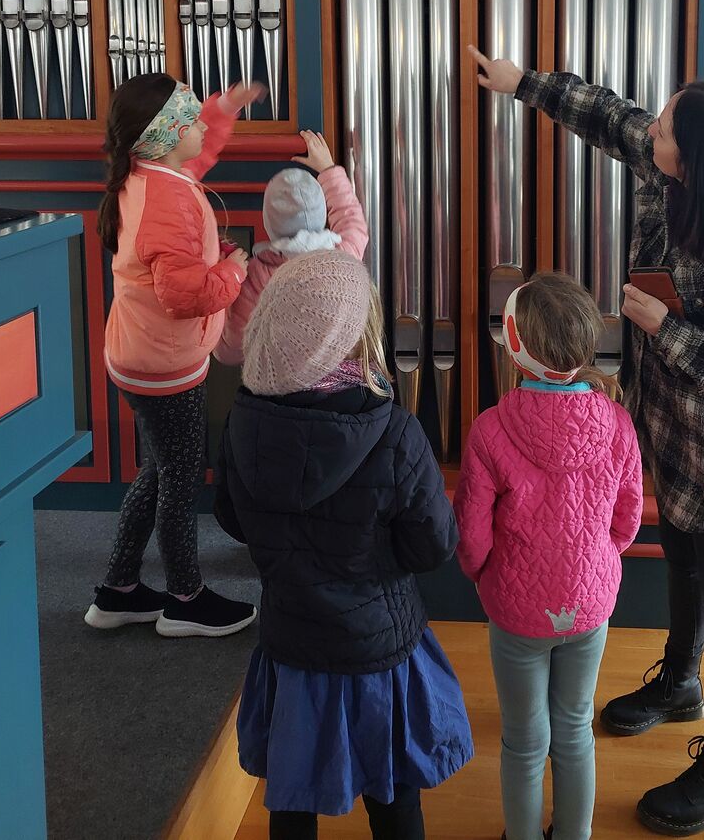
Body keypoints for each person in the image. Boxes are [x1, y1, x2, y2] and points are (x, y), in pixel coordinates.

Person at [469, 46, 704, 837]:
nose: (647, 131)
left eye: (662, 131)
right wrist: (522, 84)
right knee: (683, 567)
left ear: (696, 164)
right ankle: (680, 682)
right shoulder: (673, 171)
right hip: (668, 431)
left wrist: (669, 329)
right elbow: (606, 115)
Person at [214, 250, 473, 840]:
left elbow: (232, 520)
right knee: (392, 793)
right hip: (376, 650)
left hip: (292, 644)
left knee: (292, 796)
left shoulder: (243, 421)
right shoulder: (396, 431)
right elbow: (432, 545)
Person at [454, 272, 643, 840]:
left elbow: (471, 536)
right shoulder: (617, 423)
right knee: (576, 728)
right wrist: (596, 564)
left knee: (523, 739)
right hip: (590, 607)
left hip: (515, 614)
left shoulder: (490, 430)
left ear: (514, 345)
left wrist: (484, 577)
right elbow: (628, 520)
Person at [85, 73, 263, 637]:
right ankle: (185, 600)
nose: (199, 126)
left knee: (160, 471)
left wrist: (224, 107)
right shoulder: (167, 201)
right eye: (188, 119)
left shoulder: (153, 173)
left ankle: (118, 590)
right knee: (179, 484)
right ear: (163, 136)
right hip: (166, 369)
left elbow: (199, 149)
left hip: (140, 356)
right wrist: (234, 268)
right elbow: (186, 297)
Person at [214, 128, 368, 366]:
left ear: (268, 221)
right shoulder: (344, 256)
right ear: (322, 213)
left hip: (281, 383)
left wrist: (224, 280)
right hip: (337, 378)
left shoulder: (256, 277)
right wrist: (328, 170)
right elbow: (351, 218)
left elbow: (230, 352)